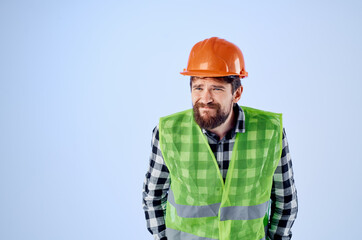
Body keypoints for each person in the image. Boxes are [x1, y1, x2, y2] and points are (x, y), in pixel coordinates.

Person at [142, 37, 298, 240]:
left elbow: (285, 201)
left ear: (237, 93)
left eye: (216, 88)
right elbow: (152, 197)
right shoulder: (168, 132)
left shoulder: (269, 132)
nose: (205, 98)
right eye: (198, 87)